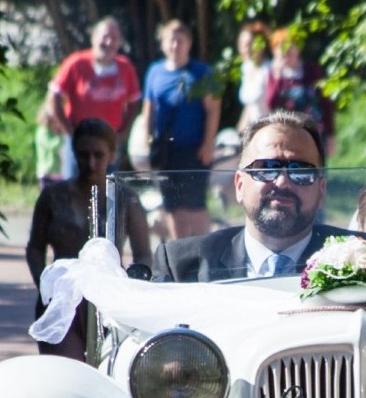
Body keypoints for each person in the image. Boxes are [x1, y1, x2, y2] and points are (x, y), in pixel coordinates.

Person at [150, 111, 349, 283]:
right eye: (266, 168)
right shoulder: (181, 266)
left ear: (321, 189)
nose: (282, 182)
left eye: (300, 171)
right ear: (239, 185)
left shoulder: (365, 259)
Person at [26, 118, 152, 359]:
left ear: (112, 155)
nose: (91, 163)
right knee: (68, 373)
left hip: (109, 297)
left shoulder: (126, 199)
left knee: (108, 371)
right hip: (62, 295)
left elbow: (144, 253)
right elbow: (34, 248)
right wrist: (45, 285)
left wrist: (136, 285)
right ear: (74, 153)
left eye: (98, 155)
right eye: (83, 155)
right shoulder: (53, 196)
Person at [140, 19, 221, 240]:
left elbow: (213, 110)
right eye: (171, 40)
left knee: (195, 204)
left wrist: (207, 144)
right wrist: (148, 141)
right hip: (166, 150)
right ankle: (179, 251)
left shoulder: (203, 73)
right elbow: (149, 110)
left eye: (180, 40)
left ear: (189, 43)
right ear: (163, 44)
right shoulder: (154, 72)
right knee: (172, 206)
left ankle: (205, 250)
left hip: (194, 148)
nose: (176, 45)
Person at [43, 17, 141, 178]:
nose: (108, 42)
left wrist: (123, 131)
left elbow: (134, 100)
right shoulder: (76, 63)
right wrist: (68, 129)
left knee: (106, 190)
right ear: (94, 38)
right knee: (75, 189)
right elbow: (54, 95)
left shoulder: (125, 67)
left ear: (119, 42)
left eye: (114, 38)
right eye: (104, 37)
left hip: (108, 140)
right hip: (80, 138)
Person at [266, 26, 336, 159]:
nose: (285, 51)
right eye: (280, 47)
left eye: (289, 46)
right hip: (288, 135)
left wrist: (331, 135)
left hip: (315, 133)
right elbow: (271, 103)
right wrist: (277, 77)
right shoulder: (274, 76)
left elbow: (326, 104)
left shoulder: (313, 71)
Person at [236, 21, 273, 133]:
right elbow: (250, 105)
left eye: (249, 44)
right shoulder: (245, 68)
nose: (245, 49)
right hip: (252, 130)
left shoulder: (269, 70)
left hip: (269, 128)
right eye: (242, 44)